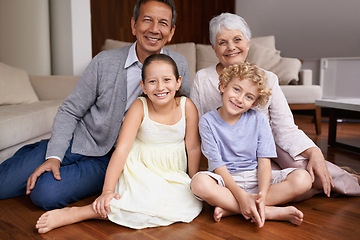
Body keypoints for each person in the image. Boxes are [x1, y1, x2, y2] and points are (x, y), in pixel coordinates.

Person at [0, 0, 191, 210]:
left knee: (45, 193)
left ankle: (42, 156)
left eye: (163, 23)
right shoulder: (104, 62)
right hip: (81, 140)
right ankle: (45, 150)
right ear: (133, 25)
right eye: (147, 20)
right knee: (5, 184)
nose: (154, 29)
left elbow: (182, 113)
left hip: (117, 160)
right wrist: (55, 155)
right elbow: (70, 110)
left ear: (171, 31)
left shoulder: (179, 64)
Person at [190, 13, 360, 200]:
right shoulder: (203, 79)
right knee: (271, 189)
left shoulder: (268, 78)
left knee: (310, 174)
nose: (231, 47)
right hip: (233, 160)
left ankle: (351, 181)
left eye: (237, 39)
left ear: (248, 42)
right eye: (223, 42)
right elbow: (196, 130)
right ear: (214, 48)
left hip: (268, 148)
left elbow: (285, 128)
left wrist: (314, 151)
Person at [35, 54, 202, 233]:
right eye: (152, 81)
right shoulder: (139, 107)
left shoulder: (186, 106)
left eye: (167, 80)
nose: (160, 87)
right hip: (141, 169)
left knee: (184, 204)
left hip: (172, 171)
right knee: (134, 200)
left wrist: (193, 181)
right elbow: (122, 150)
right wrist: (106, 191)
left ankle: (103, 210)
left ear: (178, 82)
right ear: (143, 86)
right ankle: (81, 212)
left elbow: (192, 147)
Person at [191, 62, 312, 228]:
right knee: (199, 183)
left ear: (254, 103)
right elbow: (217, 165)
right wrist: (240, 195)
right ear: (223, 86)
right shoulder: (207, 121)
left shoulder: (259, 120)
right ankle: (268, 211)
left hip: (256, 177)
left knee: (303, 179)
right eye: (236, 89)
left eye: (249, 97)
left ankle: (235, 209)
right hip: (226, 181)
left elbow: (264, 162)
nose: (239, 99)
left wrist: (262, 194)